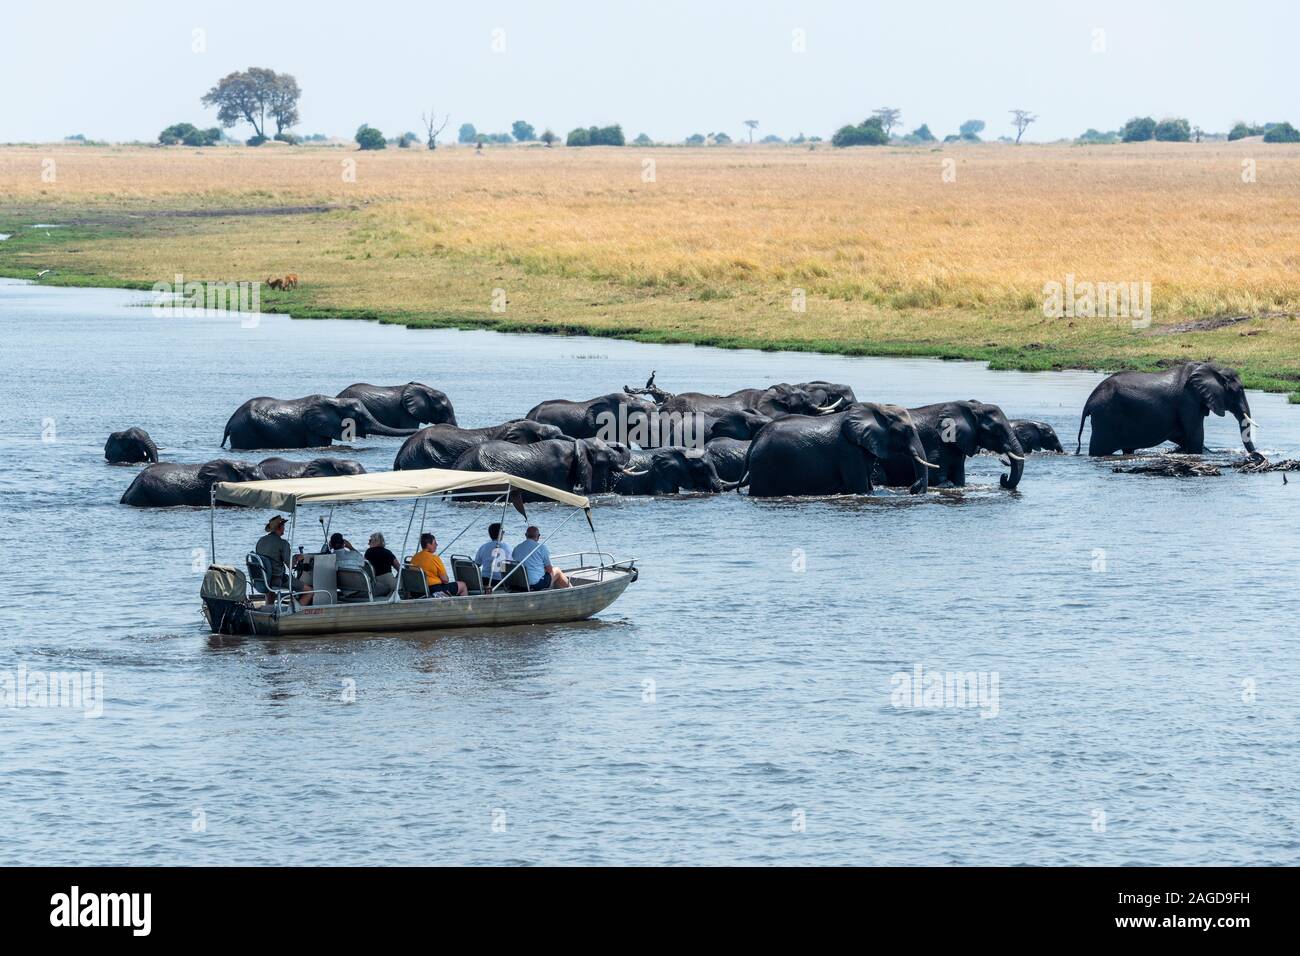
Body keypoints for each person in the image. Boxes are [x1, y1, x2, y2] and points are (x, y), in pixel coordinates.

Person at [255, 515, 313, 605]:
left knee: (271, 592)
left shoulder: (261, 541)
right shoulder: (283, 543)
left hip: (264, 578)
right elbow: (291, 566)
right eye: (283, 526)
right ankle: (295, 613)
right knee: (309, 591)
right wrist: (298, 558)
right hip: (278, 579)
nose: (284, 528)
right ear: (280, 527)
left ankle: (269, 609)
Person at [510, 526, 571, 591]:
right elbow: (549, 569)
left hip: (520, 584)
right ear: (538, 536)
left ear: (525, 535)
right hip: (536, 585)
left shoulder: (516, 548)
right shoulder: (541, 548)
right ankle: (572, 590)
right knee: (557, 570)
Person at [408, 532, 468, 597]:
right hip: (434, 590)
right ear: (428, 545)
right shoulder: (434, 558)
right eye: (434, 543)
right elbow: (445, 580)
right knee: (462, 585)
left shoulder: (414, 558)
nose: (436, 545)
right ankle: (464, 606)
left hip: (416, 591)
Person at [474, 522, 513, 590]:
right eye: (503, 531)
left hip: (484, 580)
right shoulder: (506, 547)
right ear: (500, 533)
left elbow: (477, 564)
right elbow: (511, 565)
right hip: (499, 581)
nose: (504, 533)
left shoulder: (483, 547)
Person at [364, 532, 399, 597]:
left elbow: (364, 566)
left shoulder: (368, 552)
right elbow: (399, 568)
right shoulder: (387, 552)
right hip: (389, 583)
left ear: (376, 541)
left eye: (370, 540)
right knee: (403, 576)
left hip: (376, 584)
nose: (368, 543)